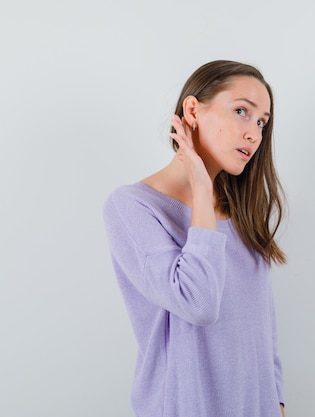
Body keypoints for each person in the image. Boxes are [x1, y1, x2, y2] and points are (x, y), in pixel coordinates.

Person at [103, 60, 287, 417]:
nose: (254, 134)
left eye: (262, 122)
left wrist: (276, 401)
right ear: (192, 111)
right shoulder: (133, 206)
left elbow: (262, 324)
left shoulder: (242, 211)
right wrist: (201, 189)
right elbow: (198, 303)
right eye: (241, 112)